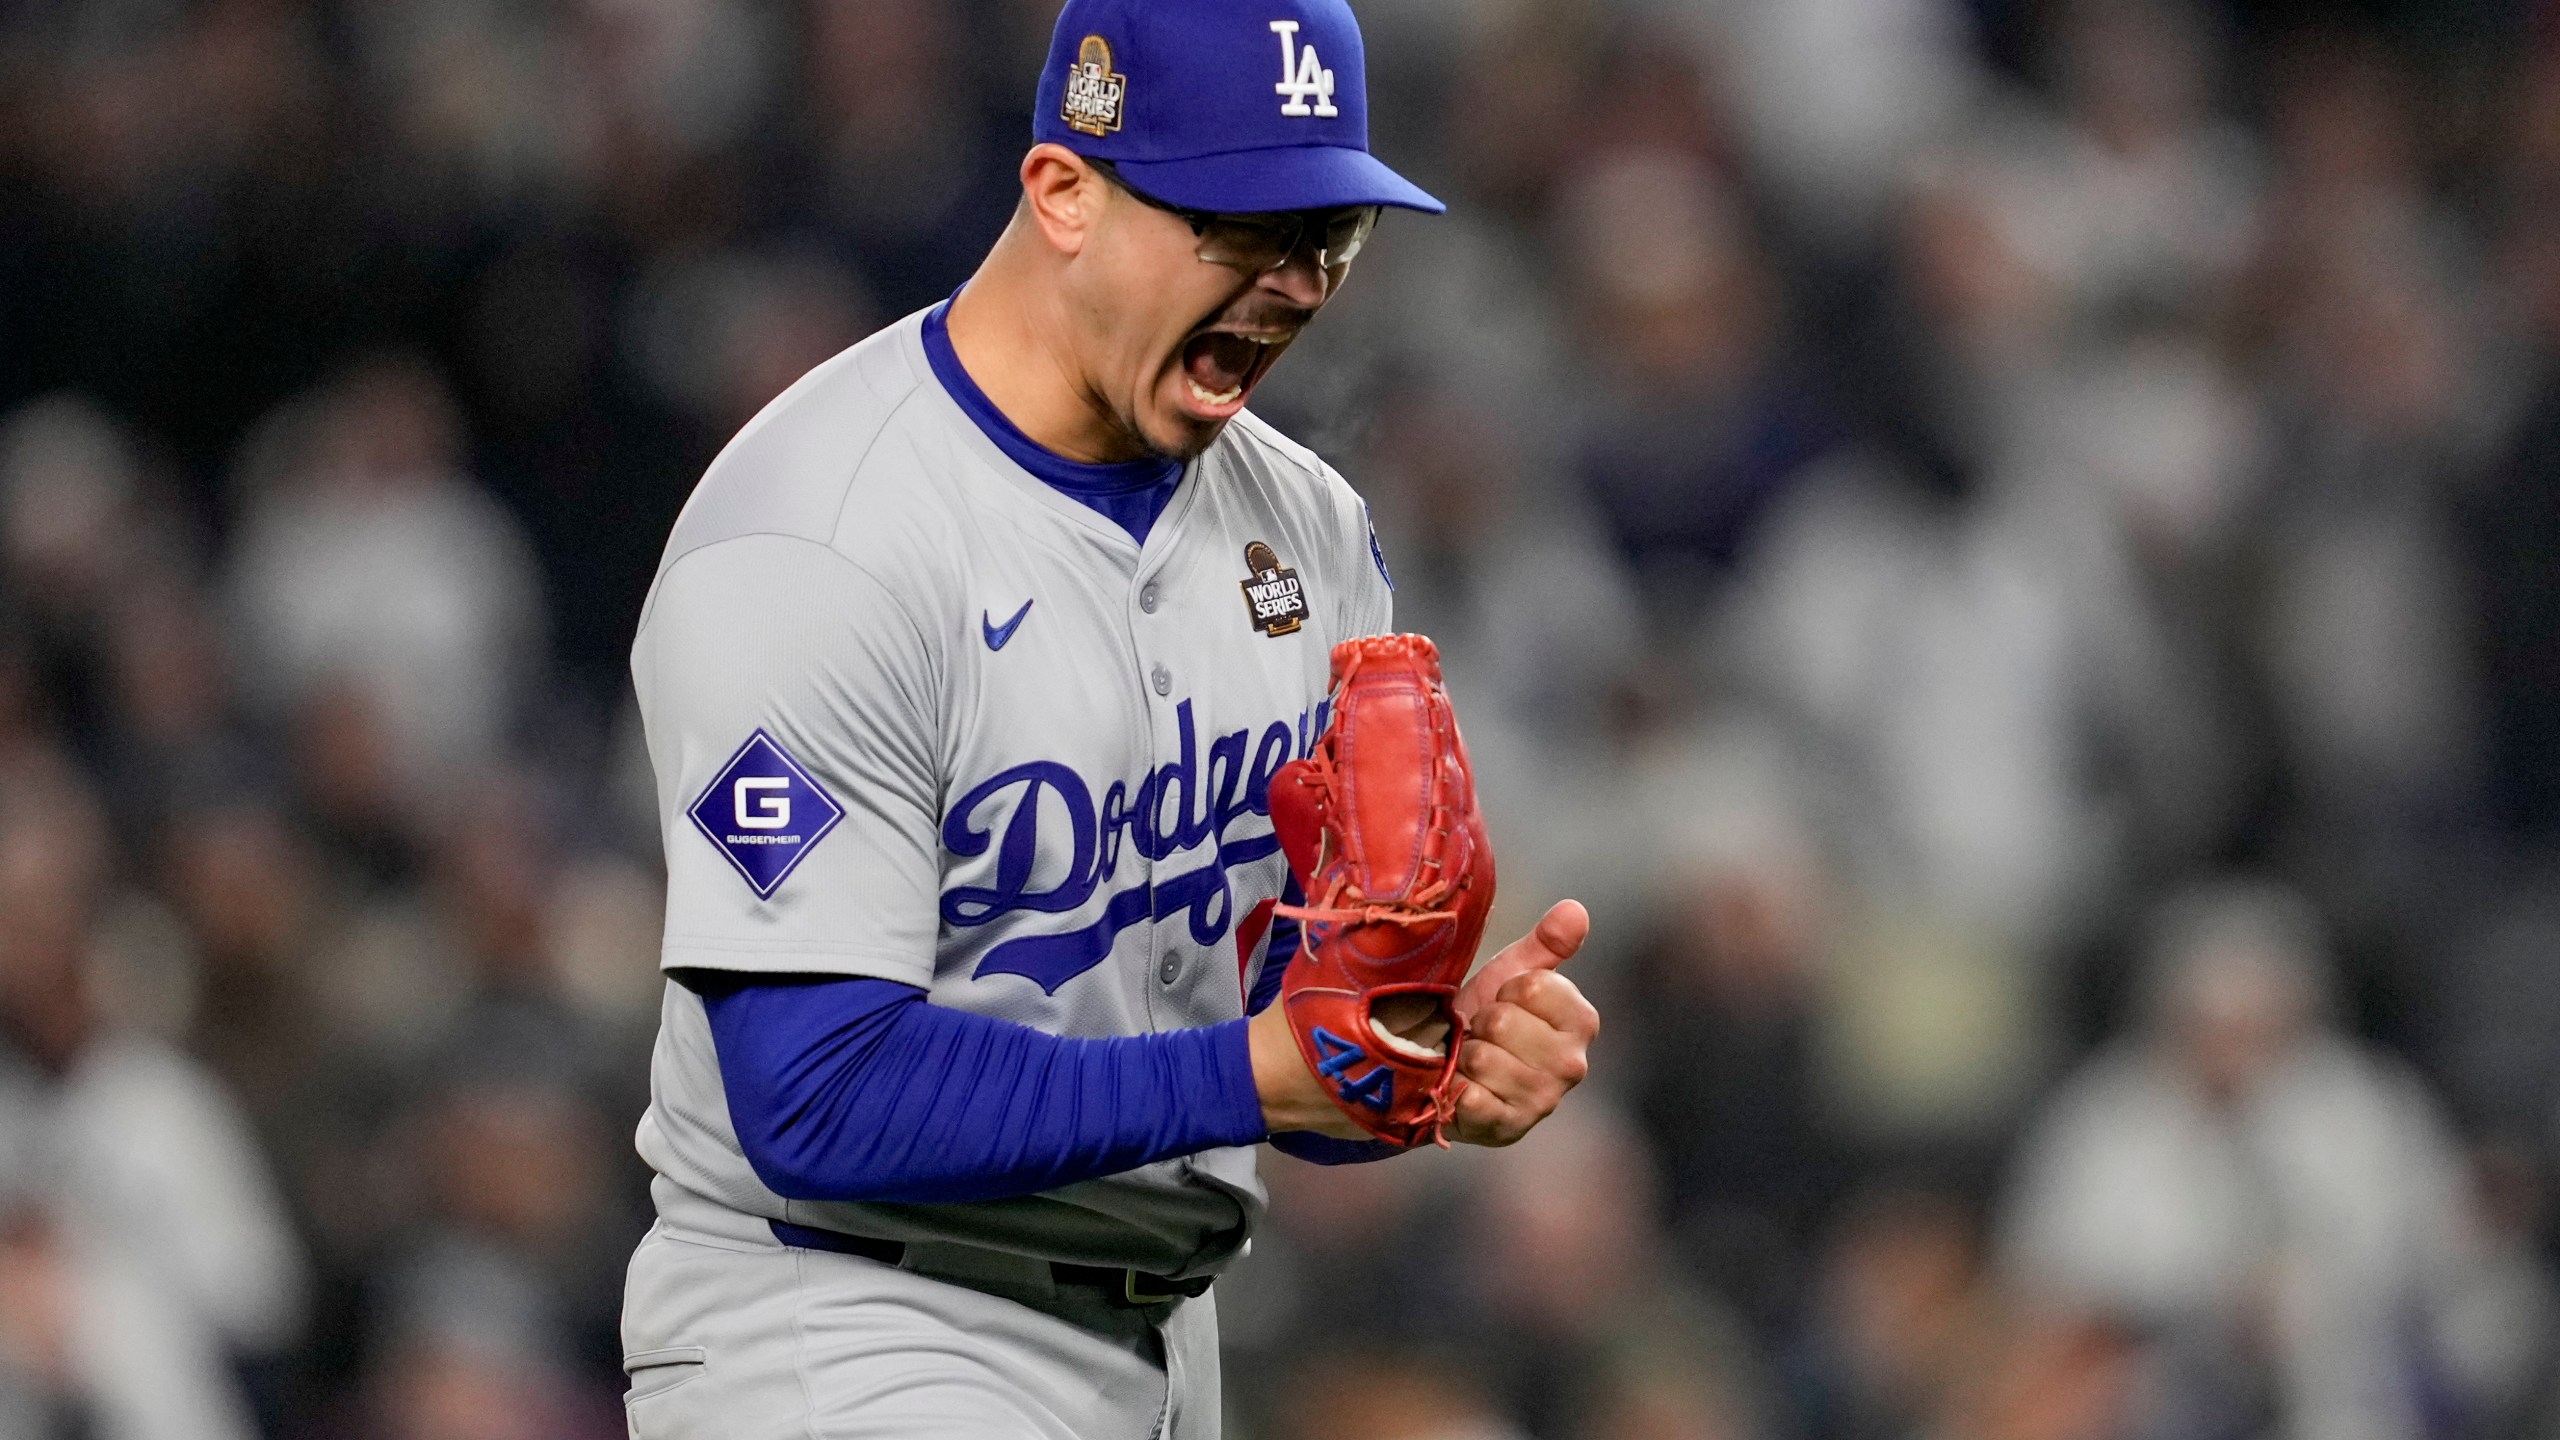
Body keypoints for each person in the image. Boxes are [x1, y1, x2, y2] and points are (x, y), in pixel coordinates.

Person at [615, 2, 1603, 1437]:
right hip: (844, 1322)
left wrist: (1412, 1050)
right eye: (1240, 225)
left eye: (1329, 234)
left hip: (1161, 1341)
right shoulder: (820, 538)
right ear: (1063, 193)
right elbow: (813, 1094)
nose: (1294, 282)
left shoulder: (1308, 529)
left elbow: (1264, 1043)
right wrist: (1257, 1072)